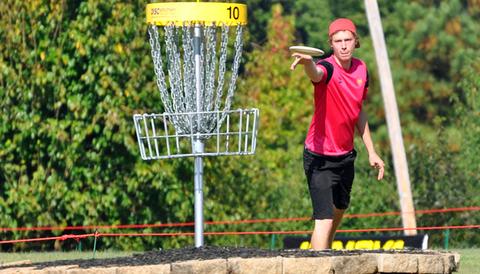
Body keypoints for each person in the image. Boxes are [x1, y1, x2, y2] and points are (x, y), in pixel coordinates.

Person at [290, 18, 385, 250]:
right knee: (324, 219)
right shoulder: (328, 67)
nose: (343, 45)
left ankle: (320, 258)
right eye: (338, 41)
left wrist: (372, 151)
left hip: (345, 156)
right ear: (331, 44)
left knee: (339, 209)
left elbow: (358, 111)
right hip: (319, 156)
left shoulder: (362, 69)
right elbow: (316, 74)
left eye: (348, 40)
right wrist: (307, 64)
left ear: (355, 42)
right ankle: (320, 265)